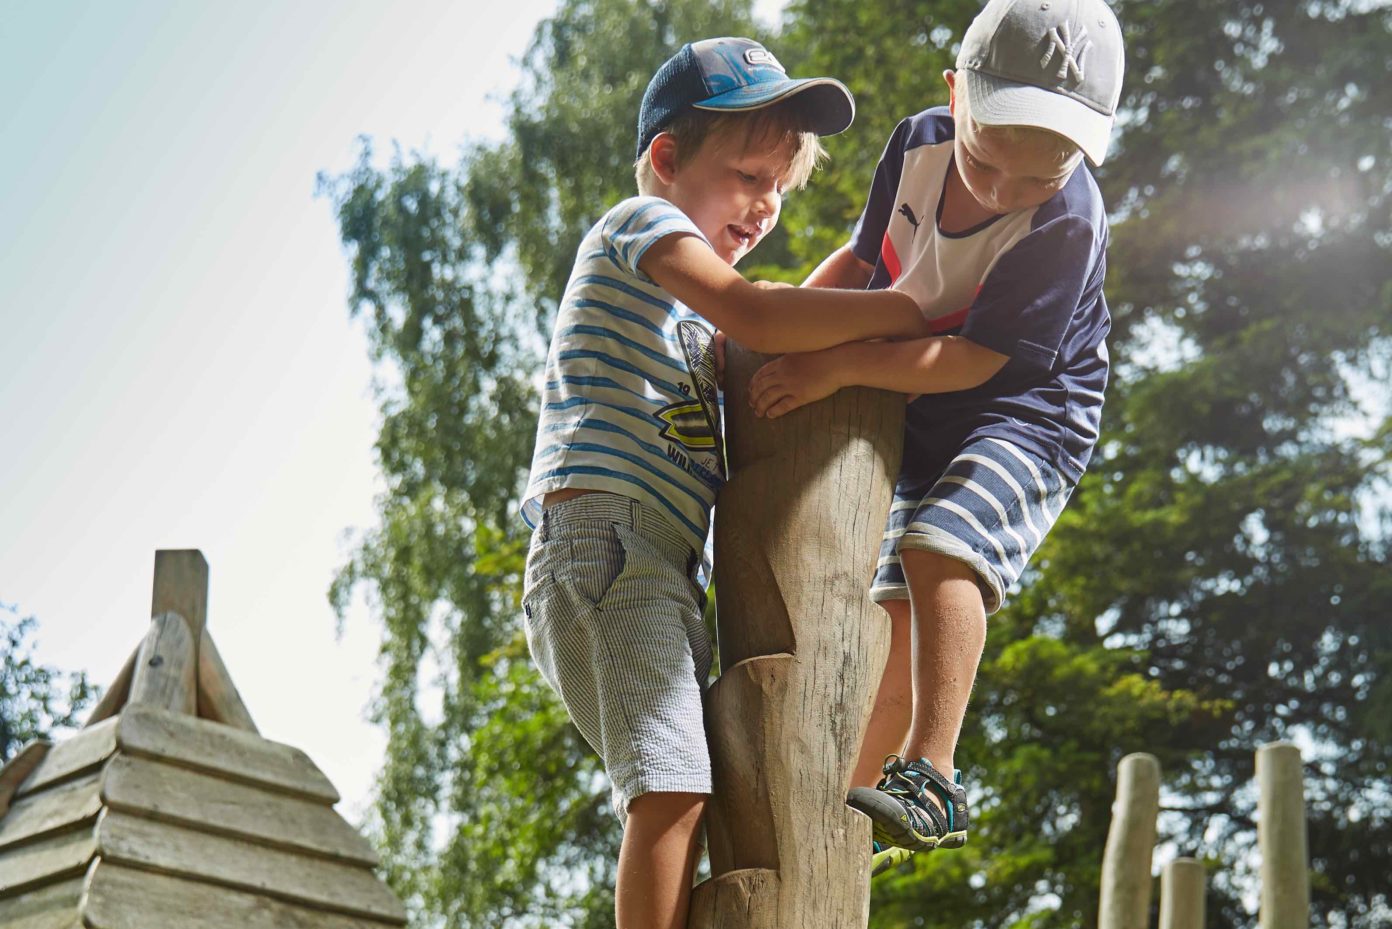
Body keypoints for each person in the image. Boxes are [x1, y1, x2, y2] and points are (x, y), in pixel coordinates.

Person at [519, 37, 932, 929]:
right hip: (604, 540)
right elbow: (759, 311)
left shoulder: (700, 308)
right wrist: (912, 305)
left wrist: (873, 258)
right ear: (666, 161)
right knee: (668, 783)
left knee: (695, 790)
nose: (766, 206)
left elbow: (770, 332)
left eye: (779, 188)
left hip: (656, 564)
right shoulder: (639, 227)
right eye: (749, 176)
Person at [748, 0, 1126, 863]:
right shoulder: (915, 147)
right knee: (892, 614)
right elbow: (865, 262)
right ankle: (861, 807)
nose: (1004, 193)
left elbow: (975, 360)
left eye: (1038, 177)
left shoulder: (1066, 223)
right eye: (988, 161)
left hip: (1029, 416)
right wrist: (781, 327)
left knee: (939, 547)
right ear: (954, 96)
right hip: (927, 409)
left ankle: (937, 772)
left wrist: (838, 364)